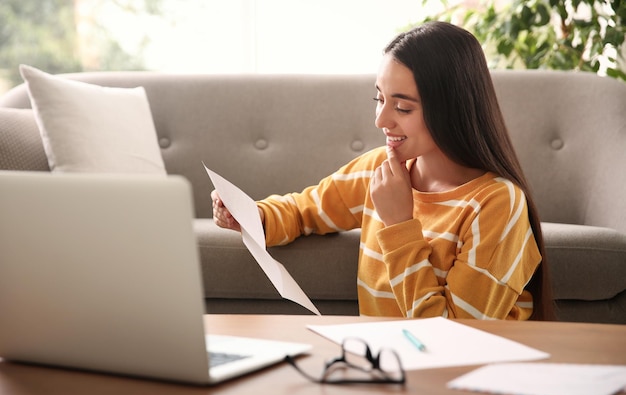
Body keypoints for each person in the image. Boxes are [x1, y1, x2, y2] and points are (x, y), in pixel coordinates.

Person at [211, 21, 555, 321]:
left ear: (451, 109)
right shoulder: (381, 169)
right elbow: (305, 210)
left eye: (402, 107)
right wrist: (249, 215)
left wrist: (399, 225)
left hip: (463, 372)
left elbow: (454, 333)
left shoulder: (497, 204)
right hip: (389, 367)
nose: (381, 120)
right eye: (380, 99)